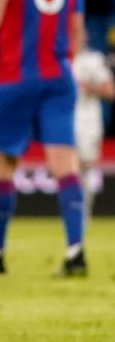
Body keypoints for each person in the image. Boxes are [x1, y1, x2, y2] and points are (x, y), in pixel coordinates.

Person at [0, 0, 87, 276]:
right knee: (65, 164)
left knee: (4, 163)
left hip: (15, 77)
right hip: (59, 79)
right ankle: (76, 251)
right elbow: (77, 29)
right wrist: (70, 63)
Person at [72, 32, 115, 220]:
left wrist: (87, 87)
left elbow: (110, 91)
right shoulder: (56, 59)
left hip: (87, 122)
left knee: (84, 168)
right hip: (61, 120)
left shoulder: (92, 60)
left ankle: (83, 215)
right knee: (66, 169)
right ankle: (72, 215)